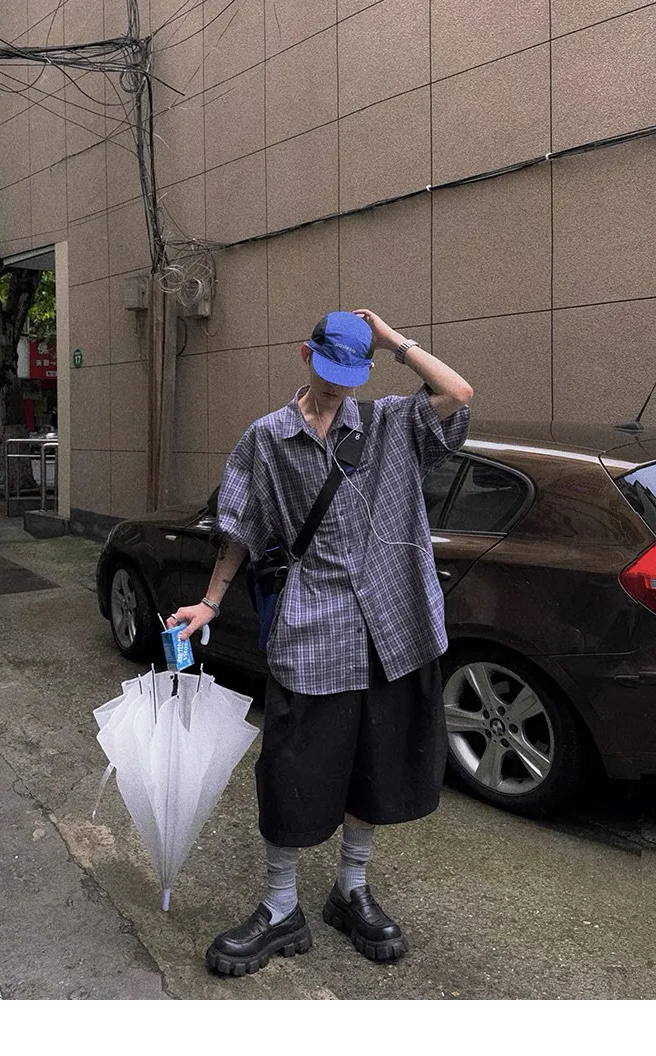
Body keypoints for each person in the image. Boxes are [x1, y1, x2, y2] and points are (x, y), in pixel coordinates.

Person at [167, 308, 473, 976]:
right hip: (313, 627)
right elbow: (242, 527)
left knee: (376, 765)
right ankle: (280, 905)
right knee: (291, 767)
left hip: (395, 624)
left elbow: (458, 392)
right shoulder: (266, 439)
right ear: (305, 355)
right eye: (330, 371)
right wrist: (210, 601)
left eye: (351, 375)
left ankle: (350, 889)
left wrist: (392, 341)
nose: (338, 388)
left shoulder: (392, 423)